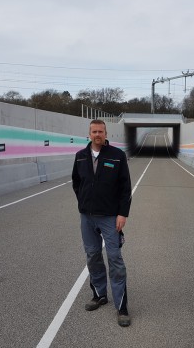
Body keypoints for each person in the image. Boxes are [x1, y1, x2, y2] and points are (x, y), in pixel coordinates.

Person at [72, 119, 132, 327]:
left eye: (101, 131)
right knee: (92, 255)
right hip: (87, 216)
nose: (97, 134)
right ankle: (99, 294)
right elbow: (76, 182)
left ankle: (122, 306)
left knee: (115, 257)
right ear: (89, 133)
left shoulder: (117, 156)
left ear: (106, 133)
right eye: (94, 131)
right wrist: (83, 201)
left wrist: (122, 214)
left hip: (109, 217)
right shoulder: (80, 157)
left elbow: (125, 188)